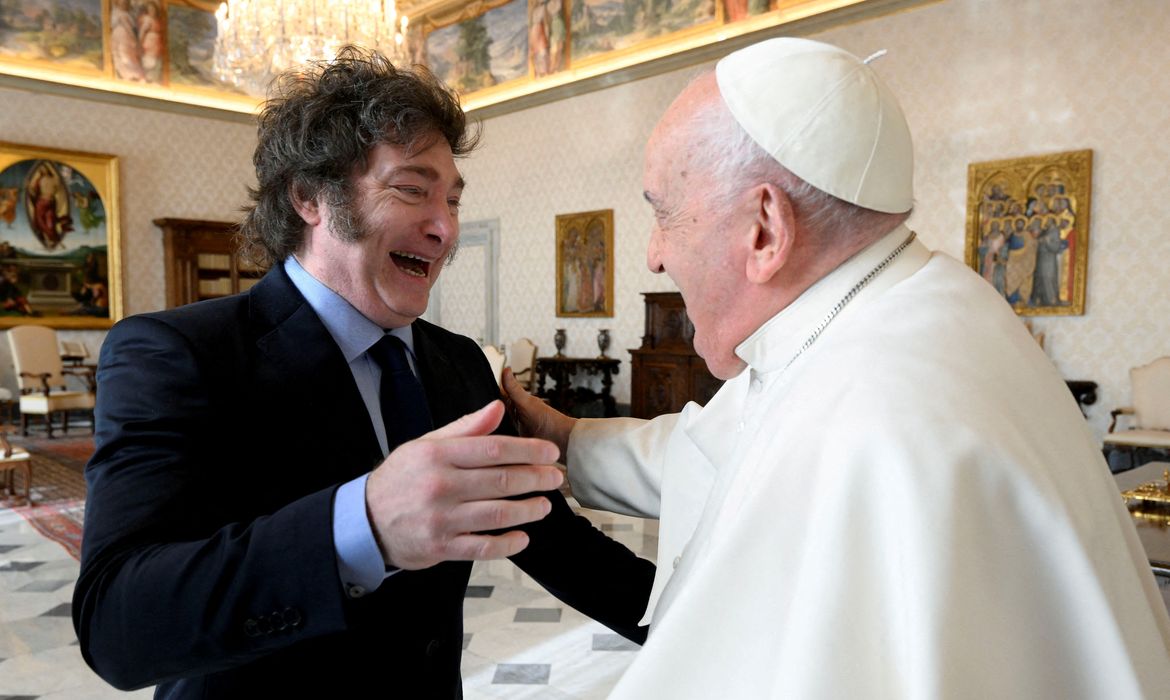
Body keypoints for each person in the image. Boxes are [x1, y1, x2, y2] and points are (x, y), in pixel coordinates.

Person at [503, 37, 1170, 699]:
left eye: (664, 214)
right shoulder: (915, 308)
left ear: (765, 229)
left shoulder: (869, 413)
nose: (653, 255)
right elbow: (717, 453)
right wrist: (561, 437)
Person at [73, 47, 654, 698]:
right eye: (412, 189)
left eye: (453, 200)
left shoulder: (461, 364)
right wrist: (363, 526)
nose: (445, 229)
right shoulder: (176, 354)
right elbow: (117, 623)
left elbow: (558, 545)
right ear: (310, 196)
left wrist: (706, 627)